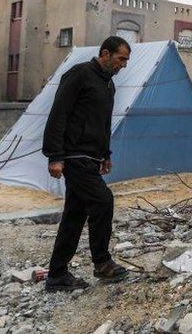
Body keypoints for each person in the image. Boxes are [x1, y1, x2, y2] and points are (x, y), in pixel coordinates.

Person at [42, 36, 131, 291]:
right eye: (120, 59)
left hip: (91, 158)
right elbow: (59, 113)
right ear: (105, 53)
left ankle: (57, 275)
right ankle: (102, 263)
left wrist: (105, 154)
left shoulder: (108, 85)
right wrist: (55, 155)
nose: (123, 65)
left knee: (74, 215)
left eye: (126, 60)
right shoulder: (79, 75)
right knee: (103, 200)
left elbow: (102, 123)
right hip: (74, 155)